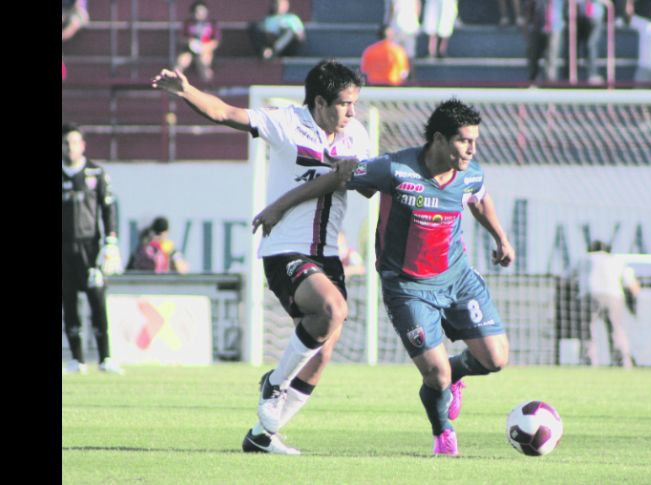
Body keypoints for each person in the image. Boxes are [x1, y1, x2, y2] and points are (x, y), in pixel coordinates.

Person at [254, 98, 514, 457]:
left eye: (474, 141)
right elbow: (336, 179)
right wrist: (279, 206)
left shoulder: (471, 173)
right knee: (434, 376)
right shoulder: (395, 169)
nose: (472, 149)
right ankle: (443, 434)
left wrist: (501, 237)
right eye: (463, 141)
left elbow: (479, 200)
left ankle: (454, 376)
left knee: (496, 358)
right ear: (439, 140)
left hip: (457, 279)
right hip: (407, 288)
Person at [152, 59, 371, 455]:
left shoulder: (357, 135)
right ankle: (274, 383)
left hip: (328, 256)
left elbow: (364, 186)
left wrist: (354, 175)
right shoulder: (285, 122)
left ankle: (262, 436)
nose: (352, 112)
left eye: (355, 103)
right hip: (286, 248)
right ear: (320, 102)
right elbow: (225, 113)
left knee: (322, 355)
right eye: (345, 103)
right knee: (332, 307)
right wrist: (185, 91)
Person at [62, 123, 125, 376]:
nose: (70, 147)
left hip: (91, 248)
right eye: (66, 143)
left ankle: (105, 357)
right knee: (69, 304)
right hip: (64, 250)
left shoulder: (96, 173)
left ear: (83, 145)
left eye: (74, 142)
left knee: (97, 302)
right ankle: (76, 359)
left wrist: (110, 242)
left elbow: (108, 208)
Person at [574, 240, 640, 369]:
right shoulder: (616, 260)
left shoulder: (584, 259)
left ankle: (588, 363)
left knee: (587, 330)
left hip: (589, 295)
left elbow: (567, 276)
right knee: (616, 330)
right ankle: (622, 363)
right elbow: (632, 284)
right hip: (614, 296)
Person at [175, 1, 220, 83]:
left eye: (203, 11)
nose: (201, 14)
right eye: (198, 12)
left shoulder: (212, 24)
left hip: (205, 49)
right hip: (189, 50)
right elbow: (182, 38)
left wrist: (204, 47)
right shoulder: (188, 23)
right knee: (182, 62)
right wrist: (189, 42)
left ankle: (208, 87)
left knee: (204, 62)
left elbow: (215, 41)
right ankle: (175, 82)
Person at [523, 0, 565, 84]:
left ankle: (550, 85)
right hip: (536, 27)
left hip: (554, 27)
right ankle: (533, 84)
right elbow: (528, 9)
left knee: (551, 58)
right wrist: (526, 28)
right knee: (533, 57)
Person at [570, 0, 606, 84]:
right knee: (575, 46)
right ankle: (573, 74)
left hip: (596, 17)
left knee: (591, 45)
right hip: (581, 17)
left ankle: (593, 74)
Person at [384, 0, 421, 66]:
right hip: (409, 26)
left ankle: (403, 73)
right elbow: (418, 7)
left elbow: (390, 10)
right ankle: (407, 74)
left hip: (399, 26)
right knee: (408, 54)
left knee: (398, 54)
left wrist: (387, 24)